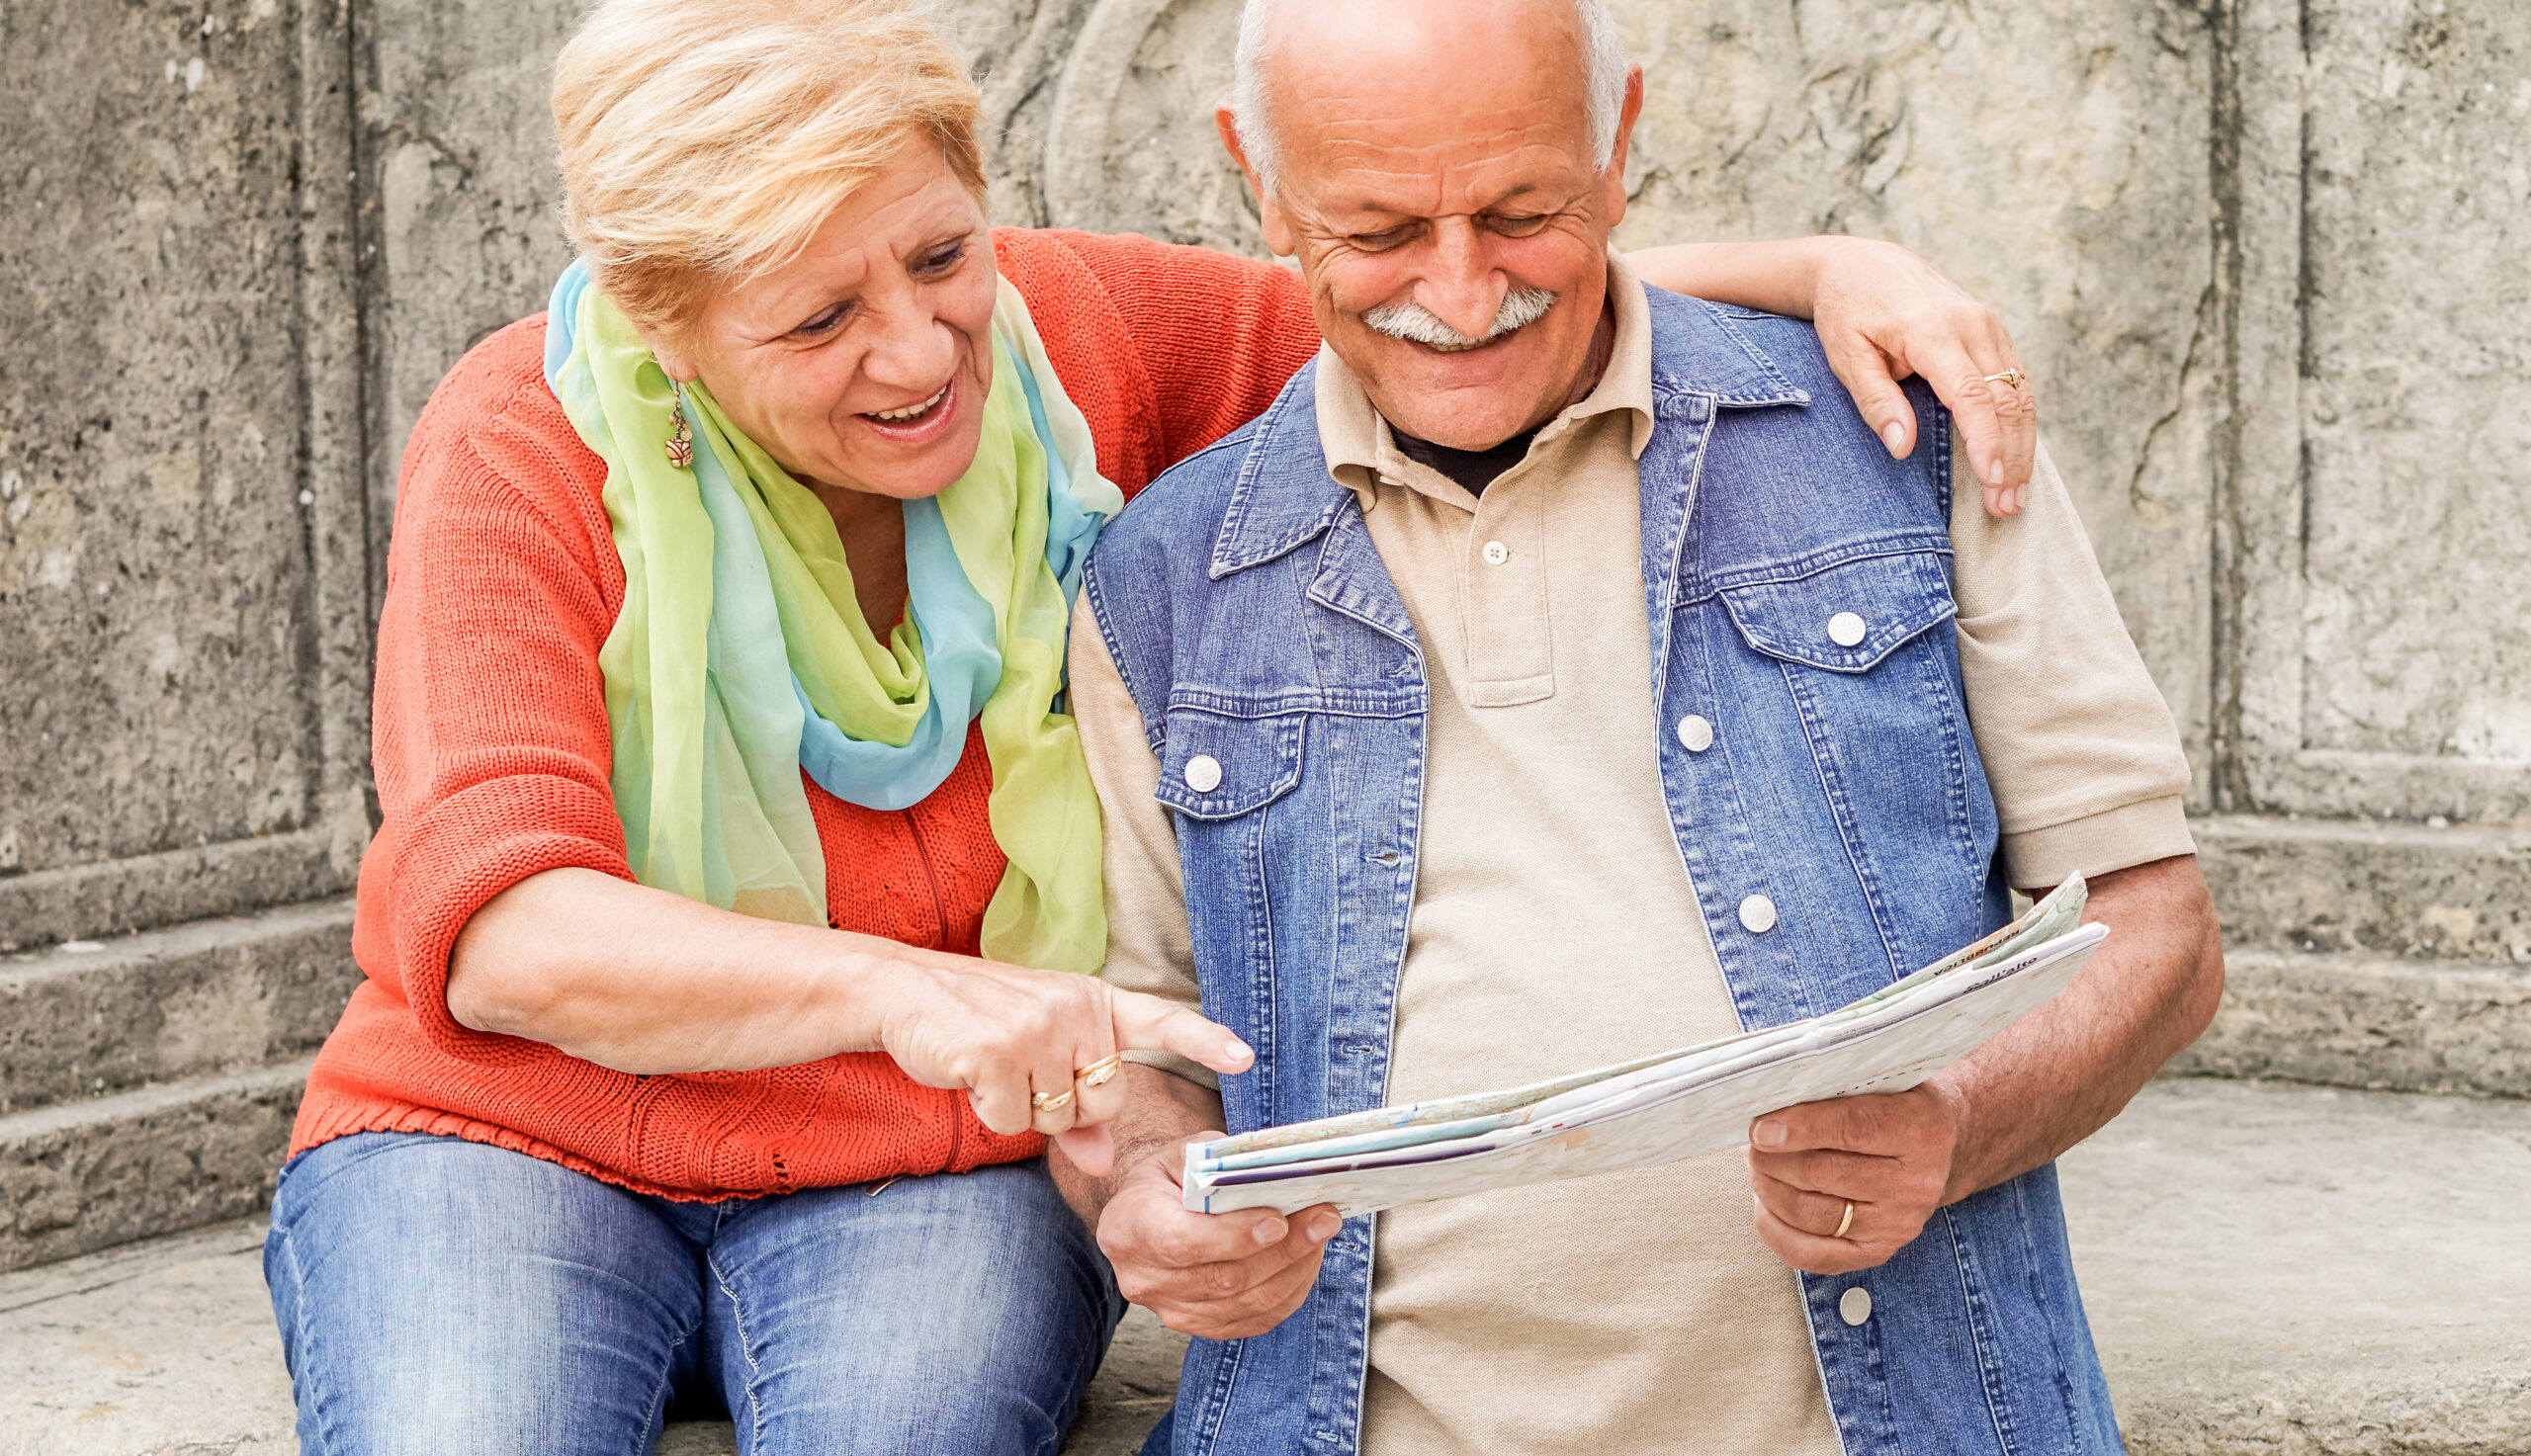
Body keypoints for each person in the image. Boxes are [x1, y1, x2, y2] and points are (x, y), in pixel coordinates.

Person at [261, 0, 2056, 1449]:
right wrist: (914, 991)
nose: (918, 354)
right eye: (819, 317)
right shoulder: (520, 436)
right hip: (503, 1135)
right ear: (664, 319)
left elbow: (1422, 298)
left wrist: (1829, 268)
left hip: (919, 1157)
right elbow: (501, 935)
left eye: (942, 255)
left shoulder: (1074, 341)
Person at [1058, 1, 2226, 1453]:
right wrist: (1154, 1192)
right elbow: (1132, 1053)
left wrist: (1954, 1124)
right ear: (1262, 184)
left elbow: (2157, 928)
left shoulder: (1900, 434)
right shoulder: (1160, 578)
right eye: (1377, 230)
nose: (1462, 288)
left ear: (1617, 145)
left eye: (1521, 208)